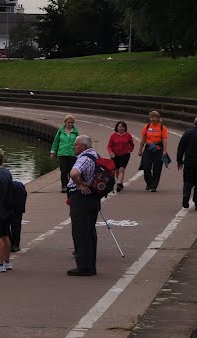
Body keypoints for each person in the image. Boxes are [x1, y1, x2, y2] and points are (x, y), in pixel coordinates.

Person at [67, 135, 101, 276]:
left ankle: (83, 266)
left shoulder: (83, 158)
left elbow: (74, 173)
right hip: (93, 198)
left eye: (75, 144)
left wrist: (80, 184)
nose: (73, 147)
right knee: (90, 232)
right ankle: (90, 265)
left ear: (83, 146)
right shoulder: (95, 155)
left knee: (81, 232)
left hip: (81, 199)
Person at [138, 110, 169, 192]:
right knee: (146, 167)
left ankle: (154, 186)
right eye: (151, 117)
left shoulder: (162, 128)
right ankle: (149, 182)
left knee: (157, 168)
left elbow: (164, 140)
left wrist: (165, 151)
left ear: (158, 118)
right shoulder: (147, 127)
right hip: (148, 149)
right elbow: (143, 139)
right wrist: (140, 150)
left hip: (158, 149)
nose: (152, 119)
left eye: (154, 117)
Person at [50, 114, 80, 193]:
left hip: (72, 153)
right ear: (65, 122)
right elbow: (56, 142)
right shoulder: (60, 131)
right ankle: (64, 186)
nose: (70, 124)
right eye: (69, 122)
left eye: (71, 122)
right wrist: (53, 152)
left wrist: (79, 152)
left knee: (71, 171)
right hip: (62, 153)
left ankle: (71, 185)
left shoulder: (76, 132)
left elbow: (79, 143)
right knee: (63, 170)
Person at [107, 121, 135, 192]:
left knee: (121, 169)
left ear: (125, 128)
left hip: (125, 155)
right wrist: (111, 152)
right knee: (116, 170)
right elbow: (109, 146)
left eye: (122, 127)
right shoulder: (113, 136)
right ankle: (120, 182)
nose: (121, 128)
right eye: (119, 127)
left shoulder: (128, 135)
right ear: (117, 127)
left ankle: (119, 184)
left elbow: (132, 144)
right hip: (115, 155)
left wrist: (130, 150)